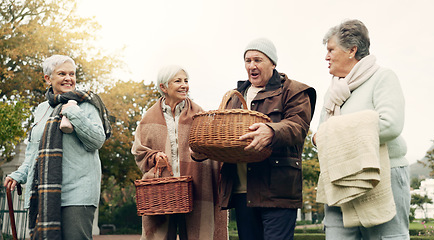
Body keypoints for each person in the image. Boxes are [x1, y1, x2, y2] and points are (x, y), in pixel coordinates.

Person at [314, 19, 410, 239]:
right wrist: (321, 138)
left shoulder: (382, 78)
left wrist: (332, 136)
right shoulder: (332, 93)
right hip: (339, 178)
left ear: (352, 50)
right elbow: (320, 135)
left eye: (330, 50)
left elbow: (390, 124)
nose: (326, 56)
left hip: (383, 175)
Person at [3, 55, 111, 239]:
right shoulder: (41, 109)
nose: (68, 78)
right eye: (62, 73)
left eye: (72, 74)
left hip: (78, 192)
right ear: (48, 78)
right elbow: (33, 152)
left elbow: (97, 141)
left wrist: (72, 111)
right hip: (44, 192)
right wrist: (18, 175)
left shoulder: (86, 105)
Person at [217, 38, 316, 240]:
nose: (252, 65)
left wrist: (272, 131)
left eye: (258, 60)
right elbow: (222, 135)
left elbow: (298, 127)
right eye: (247, 60)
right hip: (242, 192)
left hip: (278, 192)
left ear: (272, 63)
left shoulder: (293, 91)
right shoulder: (235, 97)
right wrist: (203, 150)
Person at [131, 65, 228, 240]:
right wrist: (154, 157)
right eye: (178, 81)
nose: (184, 85)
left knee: (199, 234)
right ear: (163, 87)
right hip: (162, 192)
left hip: (198, 189)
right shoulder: (148, 119)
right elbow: (139, 152)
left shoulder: (200, 115)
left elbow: (213, 150)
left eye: (186, 81)